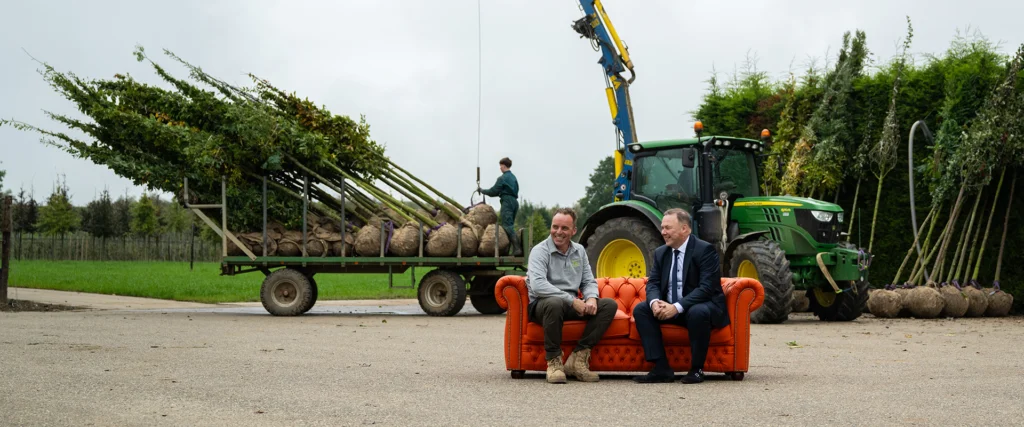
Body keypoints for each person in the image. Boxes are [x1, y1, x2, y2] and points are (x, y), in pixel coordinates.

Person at [632, 208, 729, 384]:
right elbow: (653, 283)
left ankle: (697, 370)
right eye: (662, 228)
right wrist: (655, 302)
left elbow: (706, 288)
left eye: (668, 228)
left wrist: (676, 307)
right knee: (641, 309)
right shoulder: (661, 253)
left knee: (697, 312)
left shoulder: (705, 250)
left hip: (702, 305)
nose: (663, 232)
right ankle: (661, 368)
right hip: (670, 306)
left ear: (684, 229)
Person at [525, 207, 617, 384]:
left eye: (564, 228)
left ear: (574, 231)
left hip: (570, 304)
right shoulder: (539, 251)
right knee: (554, 303)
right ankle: (553, 362)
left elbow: (588, 280)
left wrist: (591, 298)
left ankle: (577, 359)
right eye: (555, 227)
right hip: (543, 305)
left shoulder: (579, 250)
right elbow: (538, 286)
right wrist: (573, 301)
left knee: (608, 305)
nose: (558, 232)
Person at [478, 157, 522, 256]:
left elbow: (493, 191)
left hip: (507, 202)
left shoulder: (502, 178)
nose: (500, 168)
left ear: (503, 166)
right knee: (510, 225)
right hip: (514, 202)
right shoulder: (513, 177)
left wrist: (482, 190)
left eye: (500, 166)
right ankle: (512, 250)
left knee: (507, 226)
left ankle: (517, 249)